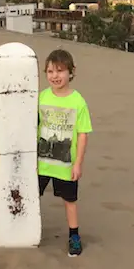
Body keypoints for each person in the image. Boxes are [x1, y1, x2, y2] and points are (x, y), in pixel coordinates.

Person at [37, 49, 92, 256]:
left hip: (66, 164)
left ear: (71, 72)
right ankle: (29, 229)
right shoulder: (41, 97)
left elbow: (83, 133)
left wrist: (78, 163)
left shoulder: (78, 101)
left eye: (60, 71)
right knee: (32, 196)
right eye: (50, 71)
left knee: (69, 200)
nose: (55, 76)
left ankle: (74, 235)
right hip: (41, 162)